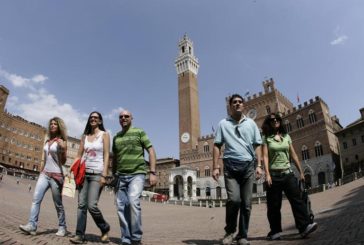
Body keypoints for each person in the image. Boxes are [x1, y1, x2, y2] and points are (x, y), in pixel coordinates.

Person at [212, 94, 263, 245]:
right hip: (230, 166)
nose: (237, 104)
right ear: (230, 106)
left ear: (243, 105)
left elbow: (257, 144)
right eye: (234, 102)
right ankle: (229, 232)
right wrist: (215, 166)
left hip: (248, 166)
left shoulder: (251, 124)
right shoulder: (223, 123)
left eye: (240, 102)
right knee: (234, 200)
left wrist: (259, 166)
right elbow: (217, 145)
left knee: (246, 204)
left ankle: (242, 235)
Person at [261, 113, 318, 240]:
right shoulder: (266, 138)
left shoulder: (286, 136)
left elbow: (294, 155)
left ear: (280, 121)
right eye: (272, 120)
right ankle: (275, 231)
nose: (275, 121)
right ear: (269, 123)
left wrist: (301, 172)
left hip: (288, 173)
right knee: (274, 205)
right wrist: (268, 174)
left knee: (297, 200)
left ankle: (304, 227)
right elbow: (264, 156)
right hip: (274, 175)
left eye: (277, 119)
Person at [112, 110, 157, 245]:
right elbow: (114, 158)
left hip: (137, 174)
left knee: (132, 201)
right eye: (121, 117)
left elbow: (151, 150)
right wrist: (114, 175)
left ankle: (136, 238)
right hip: (121, 175)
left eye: (126, 116)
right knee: (121, 207)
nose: (123, 118)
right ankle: (126, 238)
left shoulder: (139, 132)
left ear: (132, 118)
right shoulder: (116, 137)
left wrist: (152, 172)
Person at [19, 117, 68, 236]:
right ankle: (32, 225)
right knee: (36, 199)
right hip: (44, 174)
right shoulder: (47, 142)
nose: (52, 126)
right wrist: (41, 172)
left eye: (55, 124)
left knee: (58, 203)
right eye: (51, 124)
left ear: (59, 127)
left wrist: (62, 149)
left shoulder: (62, 142)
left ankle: (63, 227)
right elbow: (46, 160)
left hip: (56, 176)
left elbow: (63, 161)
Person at [70, 111, 111, 244]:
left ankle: (104, 227)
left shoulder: (104, 135)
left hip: (97, 174)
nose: (93, 119)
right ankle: (79, 235)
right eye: (91, 117)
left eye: (96, 117)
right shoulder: (84, 137)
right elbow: (78, 155)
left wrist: (104, 174)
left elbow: (106, 155)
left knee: (92, 205)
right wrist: (71, 169)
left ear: (100, 121)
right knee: (81, 205)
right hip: (84, 173)